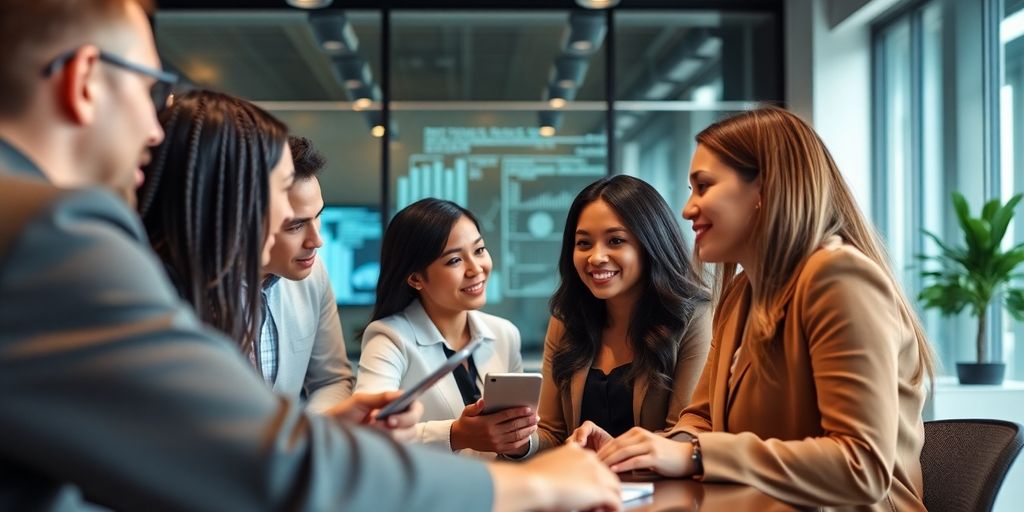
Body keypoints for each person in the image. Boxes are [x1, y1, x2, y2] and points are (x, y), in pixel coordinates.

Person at [0, 1, 621, 510]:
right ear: (84, 79)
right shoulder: (53, 231)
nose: (154, 126)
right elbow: (257, 464)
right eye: (147, 88)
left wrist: (317, 434)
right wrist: (534, 486)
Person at [595, 107, 935, 511]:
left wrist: (696, 456)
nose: (687, 209)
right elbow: (701, 418)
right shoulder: (742, 293)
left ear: (765, 189)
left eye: (703, 186)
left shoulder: (838, 277)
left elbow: (861, 467)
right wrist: (642, 449)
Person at [526, 175, 712, 457]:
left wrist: (616, 449)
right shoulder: (567, 319)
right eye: (584, 243)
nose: (596, 257)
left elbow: (686, 432)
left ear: (651, 244)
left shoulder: (693, 316)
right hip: (581, 492)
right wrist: (519, 442)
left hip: (662, 492)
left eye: (615, 241)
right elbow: (552, 432)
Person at [356, 198, 538, 457]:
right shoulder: (389, 338)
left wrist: (520, 443)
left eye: (479, 250)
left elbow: (528, 435)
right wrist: (455, 435)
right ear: (416, 278)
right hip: (428, 493)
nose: (476, 269)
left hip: (498, 490)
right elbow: (368, 432)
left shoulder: (504, 333)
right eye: (454, 260)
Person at [138, 89, 294, 360]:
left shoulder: (177, 295)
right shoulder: (155, 317)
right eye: (284, 188)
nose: (288, 214)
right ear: (236, 198)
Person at [255, 136, 355, 412]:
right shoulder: (189, 289)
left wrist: (303, 436)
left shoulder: (314, 273)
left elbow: (332, 380)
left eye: (318, 216)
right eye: (296, 225)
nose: (317, 240)